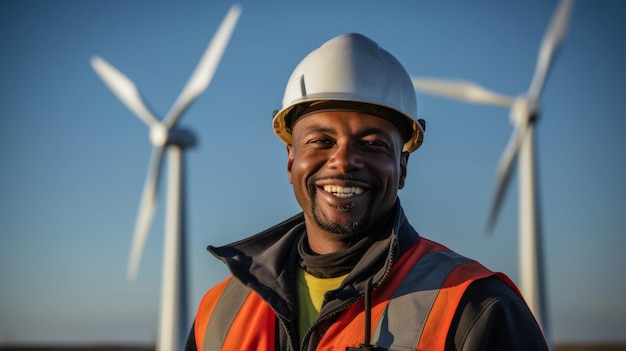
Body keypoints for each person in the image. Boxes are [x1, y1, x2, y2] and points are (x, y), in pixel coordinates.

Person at [185, 33, 548, 351]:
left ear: (402, 166)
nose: (343, 162)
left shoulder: (476, 306)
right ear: (290, 159)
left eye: (372, 144)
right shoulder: (218, 313)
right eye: (321, 141)